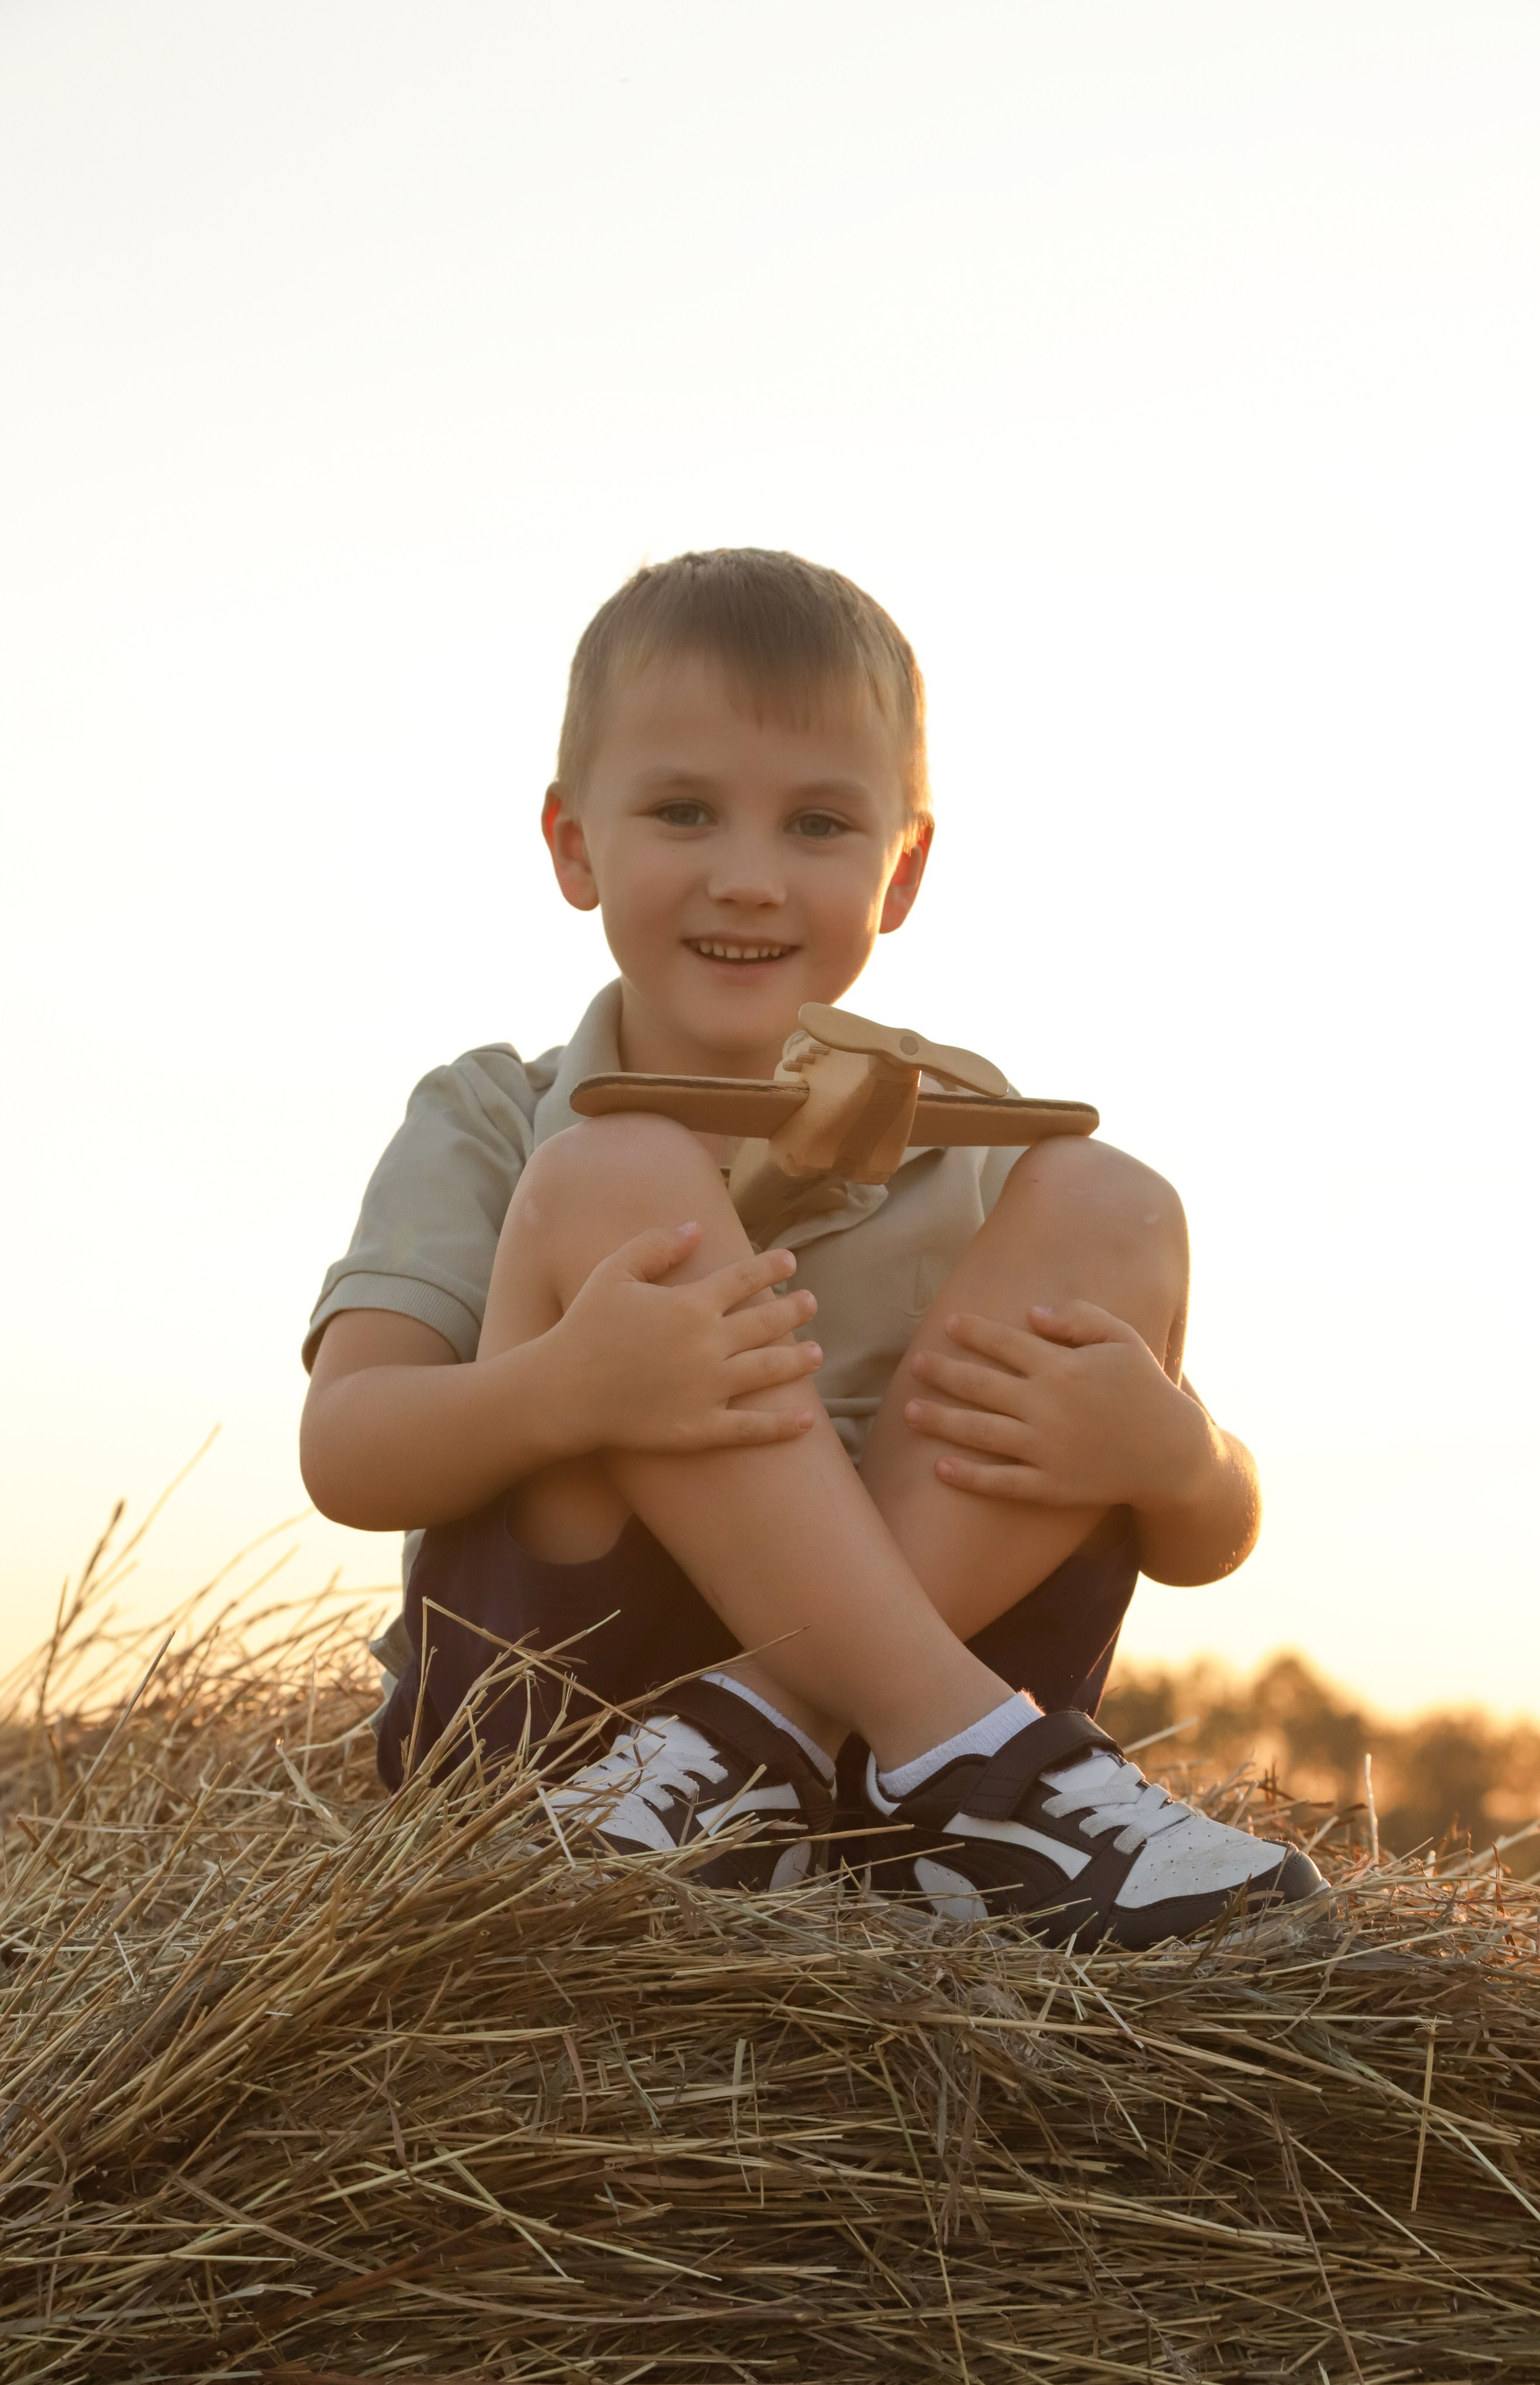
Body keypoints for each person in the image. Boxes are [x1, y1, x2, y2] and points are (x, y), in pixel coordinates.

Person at [300, 548, 1323, 1947]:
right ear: (572, 844)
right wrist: (564, 1389)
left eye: (819, 828)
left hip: (891, 1806)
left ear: (900, 870)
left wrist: (1179, 1459)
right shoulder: (488, 1116)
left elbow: (1209, 1535)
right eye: (683, 812)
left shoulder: (974, 1137)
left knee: (1113, 1199)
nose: (748, 879)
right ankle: (931, 1750)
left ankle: (835, 1743)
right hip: (564, 1767)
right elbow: (347, 1446)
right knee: (617, 1169)